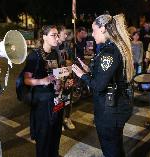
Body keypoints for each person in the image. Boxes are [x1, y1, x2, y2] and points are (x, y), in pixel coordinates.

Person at [72, 14, 134, 157]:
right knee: (116, 148)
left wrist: (82, 75)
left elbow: (99, 85)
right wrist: (88, 70)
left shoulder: (109, 52)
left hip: (110, 112)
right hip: (115, 108)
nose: (92, 34)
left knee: (111, 151)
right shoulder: (111, 47)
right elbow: (108, 75)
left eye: (94, 30)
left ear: (103, 28)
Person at [24, 25, 68, 157]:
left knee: (55, 138)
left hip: (57, 100)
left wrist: (63, 82)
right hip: (42, 104)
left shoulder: (55, 53)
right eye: (53, 35)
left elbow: (57, 74)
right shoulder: (35, 55)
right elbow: (26, 80)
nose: (57, 37)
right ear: (44, 37)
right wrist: (42, 81)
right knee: (43, 140)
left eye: (57, 35)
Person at [56, 25, 75, 130]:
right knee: (59, 101)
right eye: (64, 33)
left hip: (67, 77)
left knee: (67, 100)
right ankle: (59, 121)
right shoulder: (53, 47)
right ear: (58, 34)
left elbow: (71, 61)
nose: (66, 35)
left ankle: (67, 118)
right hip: (58, 79)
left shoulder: (67, 46)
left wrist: (70, 75)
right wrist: (67, 68)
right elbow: (53, 70)